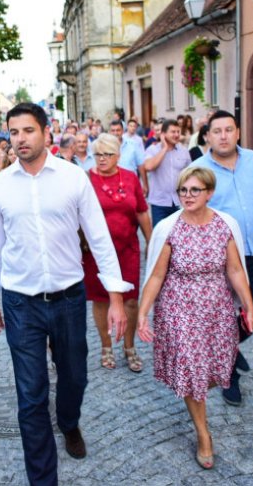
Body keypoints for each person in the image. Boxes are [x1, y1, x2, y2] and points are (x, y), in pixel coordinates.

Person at [0, 103, 132, 485]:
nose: (20, 139)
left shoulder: (72, 178)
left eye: (28, 131)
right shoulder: (0, 184)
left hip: (68, 299)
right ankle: (43, 478)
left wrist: (115, 297)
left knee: (74, 377)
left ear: (46, 133)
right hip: (20, 303)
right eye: (14, 132)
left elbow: (98, 237)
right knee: (31, 395)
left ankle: (69, 421)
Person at [138, 166, 253, 470]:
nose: (187, 196)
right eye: (183, 191)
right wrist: (142, 313)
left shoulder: (224, 225)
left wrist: (248, 304)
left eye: (194, 190)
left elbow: (234, 269)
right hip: (179, 310)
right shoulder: (169, 228)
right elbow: (156, 276)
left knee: (214, 372)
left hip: (216, 311)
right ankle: (204, 434)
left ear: (209, 193)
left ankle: (201, 406)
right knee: (192, 372)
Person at [196, 110, 253, 406]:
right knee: (222, 317)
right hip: (221, 259)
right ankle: (229, 375)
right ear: (207, 136)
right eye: (217, 131)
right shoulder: (198, 169)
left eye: (229, 129)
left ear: (238, 132)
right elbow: (192, 215)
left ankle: (226, 347)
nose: (224, 136)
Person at [84, 134, 152, 372]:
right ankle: (106, 346)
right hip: (96, 253)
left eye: (107, 154)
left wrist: (150, 241)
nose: (101, 159)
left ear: (118, 156)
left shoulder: (130, 178)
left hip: (127, 249)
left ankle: (129, 347)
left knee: (131, 301)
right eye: (97, 154)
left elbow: (142, 212)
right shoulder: (86, 179)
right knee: (102, 300)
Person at [144, 118, 191, 227]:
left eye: (178, 132)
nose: (176, 135)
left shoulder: (184, 151)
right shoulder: (153, 149)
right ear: (163, 134)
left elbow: (190, 174)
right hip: (159, 203)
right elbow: (149, 166)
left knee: (180, 238)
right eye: (173, 132)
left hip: (180, 202)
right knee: (161, 239)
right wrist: (164, 149)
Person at [110, 119, 148, 197]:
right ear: (110, 132)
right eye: (113, 130)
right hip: (112, 187)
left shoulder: (133, 144)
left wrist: (145, 184)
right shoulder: (105, 147)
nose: (115, 133)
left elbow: (141, 165)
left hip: (131, 185)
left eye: (118, 130)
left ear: (123, 131)